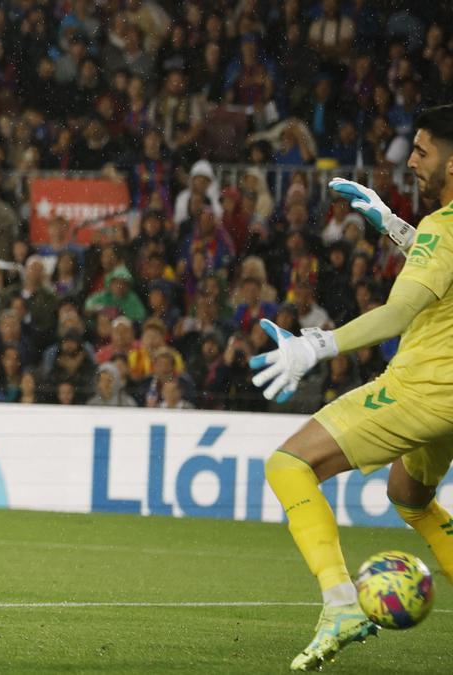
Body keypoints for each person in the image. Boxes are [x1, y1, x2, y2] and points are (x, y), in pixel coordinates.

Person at [249, 104, 453, 671]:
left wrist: (316, 345)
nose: (409, 160)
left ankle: (341, 604)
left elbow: (398, 313)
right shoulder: (440, 231)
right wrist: (392, 225)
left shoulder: (446, 225)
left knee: (288, 465)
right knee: (410, 497)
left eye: (422, 151)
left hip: (425, 388)